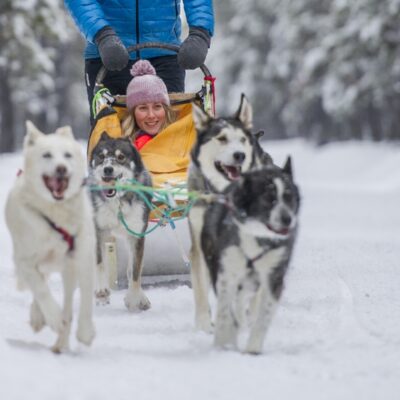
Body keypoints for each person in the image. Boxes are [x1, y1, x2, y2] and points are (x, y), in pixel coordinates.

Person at [64, 0, 214, 122]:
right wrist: (102, 35)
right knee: (108, 135)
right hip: (107, 54)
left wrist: (200, 33)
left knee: (168, 138)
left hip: (164, 57)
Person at [121, 60, 177, 150]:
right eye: (143, 108)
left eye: (157, 106)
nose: (151, 115)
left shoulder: (180, 137)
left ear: (166, 110)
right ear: (133, 113)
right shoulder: (124, 148)